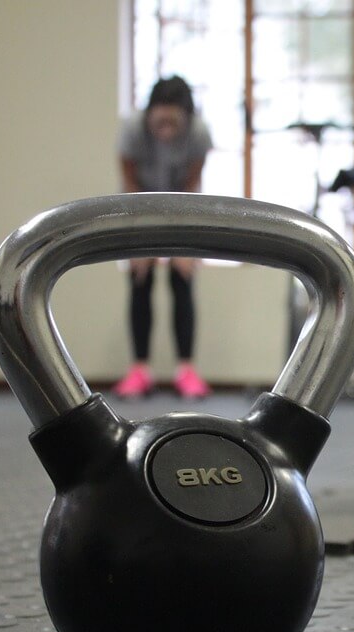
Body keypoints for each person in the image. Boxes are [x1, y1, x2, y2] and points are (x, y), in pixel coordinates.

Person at [113, 76, 214, 400]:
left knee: (182, 277)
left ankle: (186, 371)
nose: (166, 129)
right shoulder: (131, 130)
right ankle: (139, 370)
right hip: (138, 204)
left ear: (186, 119)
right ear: (149, 114)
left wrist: (185, 246)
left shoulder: (199, 133)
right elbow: (129, 183)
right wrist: (139, 241)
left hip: (181, 204)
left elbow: (191, 184)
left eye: (174, 122)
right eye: (160, 121)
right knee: (139, 278)